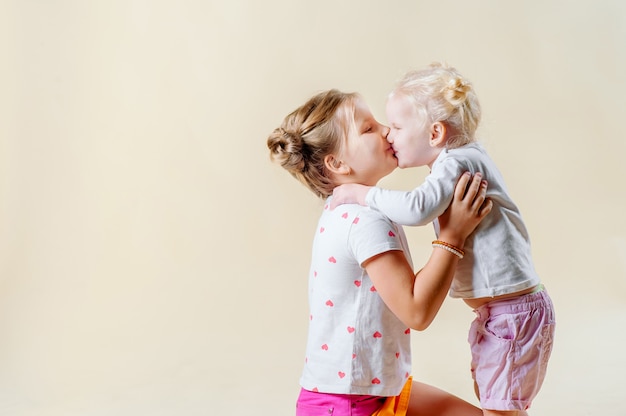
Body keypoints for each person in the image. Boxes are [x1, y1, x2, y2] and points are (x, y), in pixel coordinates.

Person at [331, 63, 555, 416]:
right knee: (500, 407)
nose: (389, 134)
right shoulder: (466, 157)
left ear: (435, 133)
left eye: (398, 127)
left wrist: (364, 195)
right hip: (503, 314)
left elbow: (417, 208)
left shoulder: (455, 163)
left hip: (511, 314)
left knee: (501, 410)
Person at [267, 88, 493, 416]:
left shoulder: (347, 208)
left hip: (361, 392)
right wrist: (453, 234)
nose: (387, 130)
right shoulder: (362, 220)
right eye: (369, 128)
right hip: (349, 405)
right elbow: (416, 312)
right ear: (337, 163)